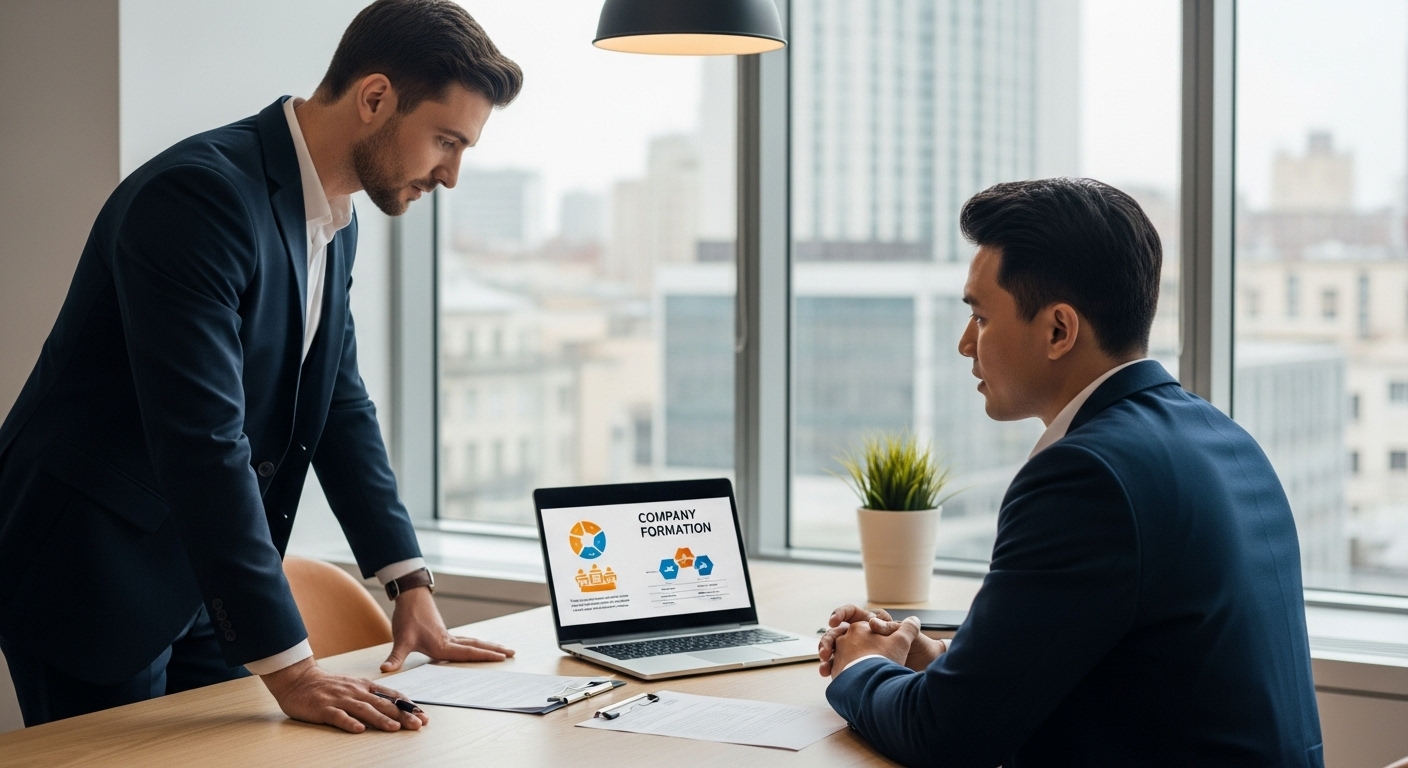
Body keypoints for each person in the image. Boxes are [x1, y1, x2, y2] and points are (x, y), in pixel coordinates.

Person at [0, 0, 523, 734]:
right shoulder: (199, 197)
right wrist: (296, 668)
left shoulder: (336, 222)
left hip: (208, 576)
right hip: (94, 568)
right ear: (375, 98)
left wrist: (407, 580)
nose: (453, 174)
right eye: (445, 140)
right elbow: (202, 438)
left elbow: (339, 403)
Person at [818, 178, 1324, 766]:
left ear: (1059, 330)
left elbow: (946, 737)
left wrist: (858, 670)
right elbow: (1124, 673)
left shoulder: (1085, 475)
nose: (964, 344)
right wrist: (933, 660)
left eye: (980, 317)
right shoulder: (1221, 438)